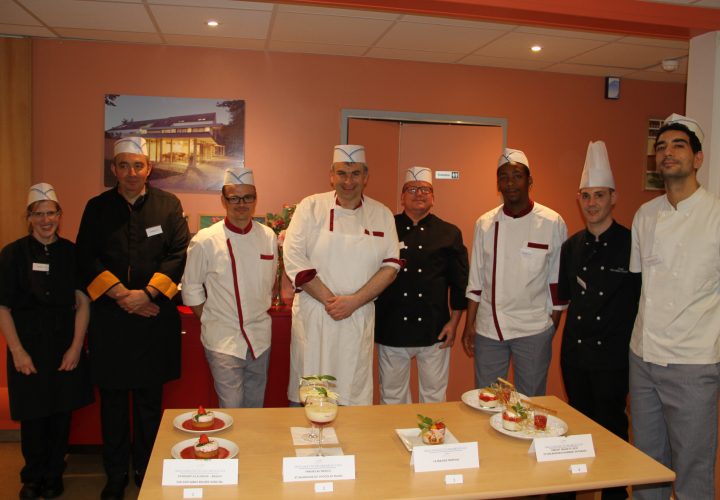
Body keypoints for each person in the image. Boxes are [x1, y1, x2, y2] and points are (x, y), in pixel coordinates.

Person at [75, 137, 189, 499]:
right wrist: (122, 295)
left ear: (148, 168)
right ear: (114, 170)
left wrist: (147, 295)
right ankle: (114, 473)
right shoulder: (97, 208)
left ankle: (146, 467)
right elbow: (86, 257)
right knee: (112, 403)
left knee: (147, 401)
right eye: (123, 166)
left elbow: (177, 254)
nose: (131, 173)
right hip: (111, 318)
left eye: (138, 166)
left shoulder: (168, 206)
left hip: (153, 318)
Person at [629, 113, 720, 500]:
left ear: (698, 158)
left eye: (678, 146)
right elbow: (641, 285)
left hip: (693, 362)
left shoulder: (716, 215)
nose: (667, 153)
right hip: (643, 356)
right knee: (646, 463)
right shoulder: (644, 216)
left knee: (692, 466)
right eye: (661, 147)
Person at [283, 144, 400, 406]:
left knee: (352, 396)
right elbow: (293, 258)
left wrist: (354, 301)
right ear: (331, 175)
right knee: (311, 396)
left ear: (366, 177)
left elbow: (391, 266)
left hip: (357, 318)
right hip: (316, 315)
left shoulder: (381, 214)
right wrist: (330, 300)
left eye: (355, 173)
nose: (349, 181)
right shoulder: (310, 207)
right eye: (342, 173)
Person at [557, 141, 640, 500]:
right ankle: (574, 489)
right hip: (574, 354)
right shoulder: (571, 246)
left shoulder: (632, 243)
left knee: (612, 429)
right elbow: (566, 297)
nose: (592, 203)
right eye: (586, 196)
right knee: (576, 428)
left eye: (599, 196)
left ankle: (613, 493)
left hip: (613, 357)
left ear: (614, 198)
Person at [0, 183, 93, 500]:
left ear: (59, 215)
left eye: (50, 213)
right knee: (33, 415)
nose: (45, 220)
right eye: (38, 214)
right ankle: (32, 476)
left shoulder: (72, 253)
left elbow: (83, 302)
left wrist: (76, 346)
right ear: (29, 217)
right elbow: (2, 307)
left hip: (64, 342)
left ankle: (54, 474)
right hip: (26, 344)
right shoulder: (12, 254)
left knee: (61, 413)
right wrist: (17, 351)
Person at [461, 148, 567, 396]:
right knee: (487, 400)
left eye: (517, 176)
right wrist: (470, 325)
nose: (510, 183)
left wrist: (552, 323)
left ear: (530, 181)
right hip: (490, 329)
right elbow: (475, 280)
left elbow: (557, 279)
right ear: (497, 183)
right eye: (504, 177)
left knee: (529, 402)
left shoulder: (552, 222)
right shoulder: (485, 223)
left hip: (533, 330)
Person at [182, 167, 277, 408]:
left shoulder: (268, 236)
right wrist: (212, 319)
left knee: (256, 408)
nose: (241, 203)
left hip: (260, 339)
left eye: (248, 197)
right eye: (234, 197)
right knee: (232, 409)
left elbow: (270, 284)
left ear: (255, 199)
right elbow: (191, 288)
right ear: (223, 200)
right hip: (223, 341)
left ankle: (252, 447)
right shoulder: (205, 239)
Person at [375, 166, 468, 404]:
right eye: (412, 189)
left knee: (434, 395)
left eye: (425, 189)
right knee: (392, 395)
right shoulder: (386, 228)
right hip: (392, 327)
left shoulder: (449, 233)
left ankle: (432, 441)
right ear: (402, 197)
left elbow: (460, 284)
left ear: (433, 197)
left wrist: (454, 323)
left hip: (435, 327)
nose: (419, 194)